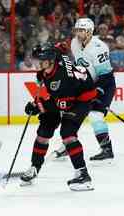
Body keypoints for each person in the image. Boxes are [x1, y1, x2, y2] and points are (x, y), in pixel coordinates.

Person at [20, 43, 101, 191]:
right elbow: (61, 49)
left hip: (81, 99)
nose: (37, 64)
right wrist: (38, 103)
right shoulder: (51, 64)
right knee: (44, 131)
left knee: (68, 133)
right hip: (64, 96)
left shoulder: (62, 77)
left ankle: (82, 174)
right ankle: (34, 167)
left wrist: (38, 107)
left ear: (50, 61)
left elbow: (64, 105)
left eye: (40, 61)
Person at [54, 18, 116, 161]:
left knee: (95, 115)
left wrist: (97, 91)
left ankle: (107, 149)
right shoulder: (75, 43)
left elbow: (105, 76)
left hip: (104, 84)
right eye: (77, 30)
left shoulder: (99, 47)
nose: (79, 33)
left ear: (89, 32)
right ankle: (68, 144)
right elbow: (78, 64)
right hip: (86, 84)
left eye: (82, 30)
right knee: (70, 112)